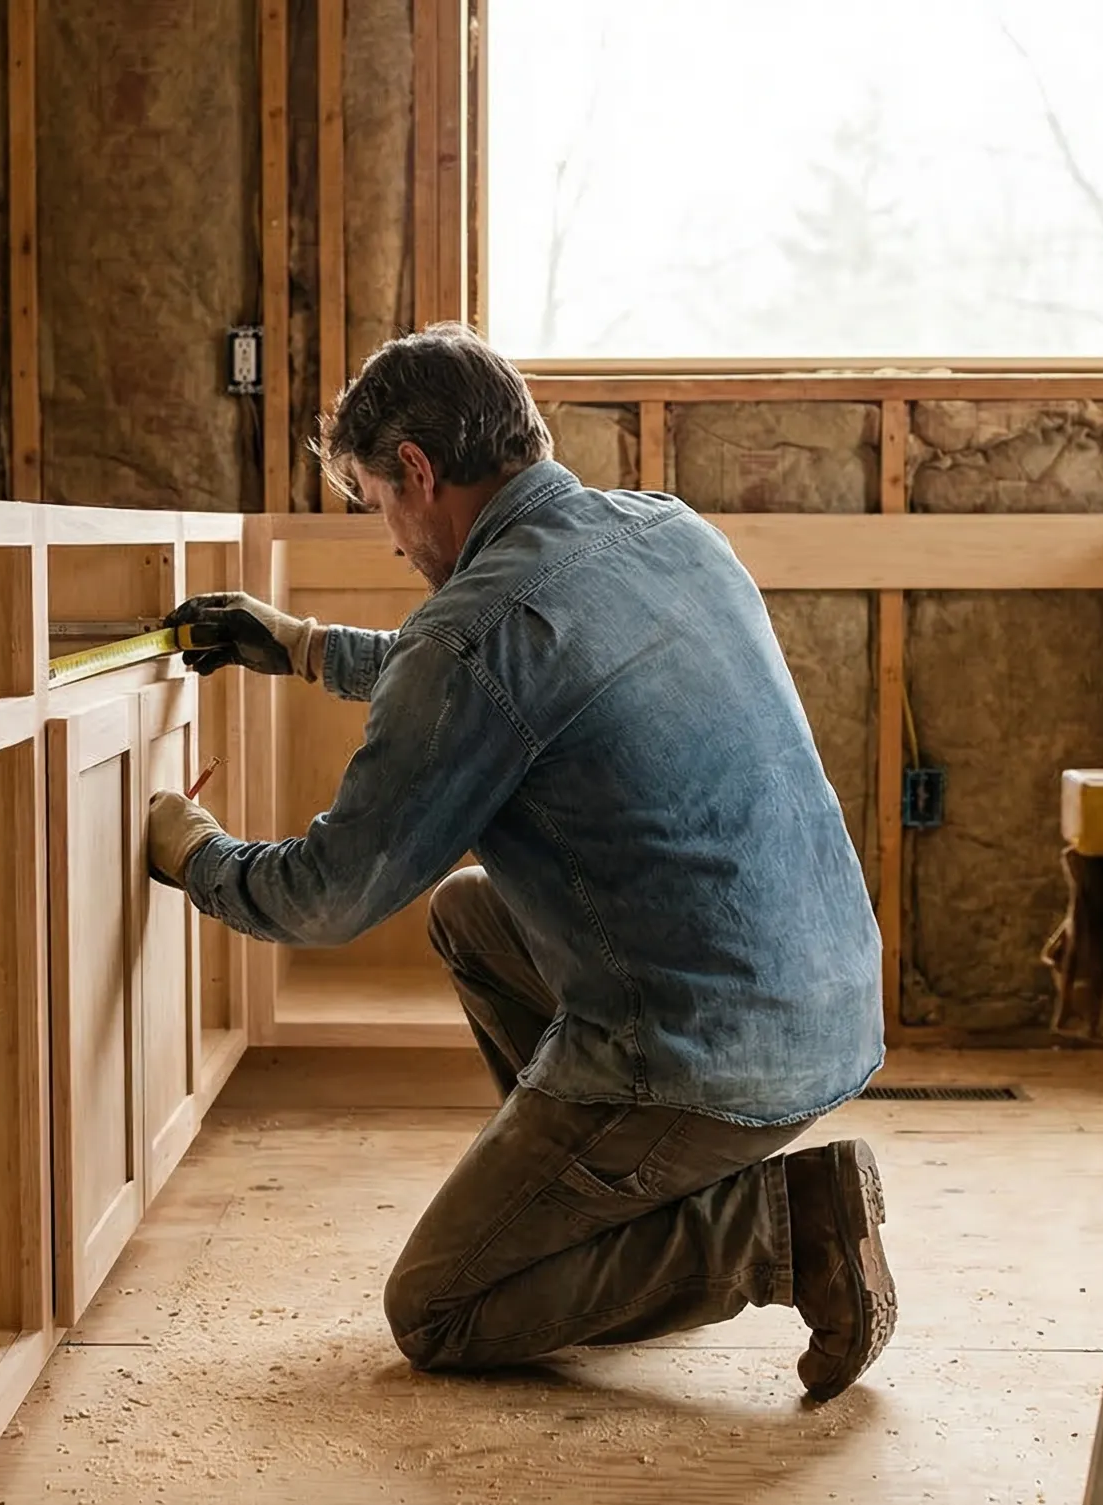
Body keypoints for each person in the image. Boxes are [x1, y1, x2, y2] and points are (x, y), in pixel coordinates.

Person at [143, 323, 893, 1402]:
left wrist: (193, 854)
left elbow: (328, 896)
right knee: (470, 912)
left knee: (439, 1308)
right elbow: (502, 675)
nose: (391, 541)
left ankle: (775, 1230)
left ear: (417, 470)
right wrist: (305, 647)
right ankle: (596, 1207)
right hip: (826, 1006)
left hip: (707, 1061)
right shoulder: (669, 529)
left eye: (378, 505)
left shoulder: (474, 634)